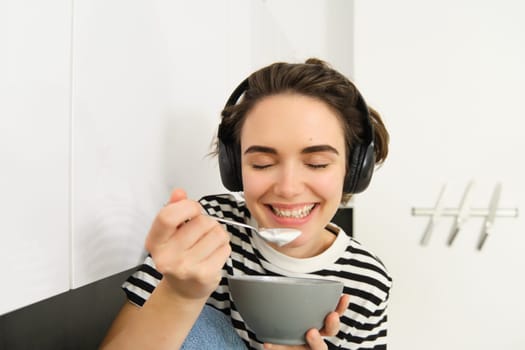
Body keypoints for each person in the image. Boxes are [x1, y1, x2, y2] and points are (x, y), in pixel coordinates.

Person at [100, 58, 392, 350]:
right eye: (262, 164)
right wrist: (179, 295)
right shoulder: (207, 231)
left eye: (316, 164)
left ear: (353, 169)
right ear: (235, 168)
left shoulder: (368, 280)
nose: (288, 188)